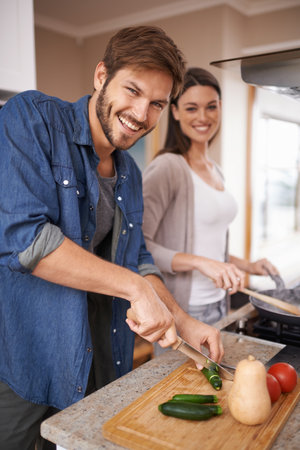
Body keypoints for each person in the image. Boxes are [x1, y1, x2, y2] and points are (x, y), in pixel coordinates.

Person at [0, 29, 224, 450]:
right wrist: (134, 287)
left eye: (157, 103)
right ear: (101, 75)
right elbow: (26, 241)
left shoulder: (131, 174)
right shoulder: (30, 118)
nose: (142, 113)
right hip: (23, 360)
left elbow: (137, 259)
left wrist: (184, 322)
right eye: (133, 91)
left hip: (96, 360)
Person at [142, 67, 279, 332]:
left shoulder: (215, 170)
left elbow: (208, 244)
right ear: (175, 112)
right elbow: (140, 249)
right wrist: (200, 262)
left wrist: (248, 265)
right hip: (184, 309)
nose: (203, 117)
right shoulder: (167, 168)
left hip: (219, 301)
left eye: (211, 107)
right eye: (191, 108)